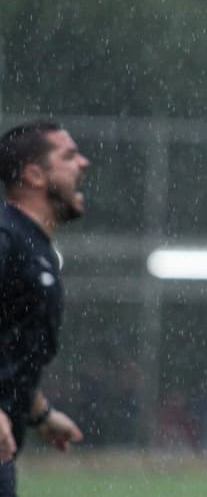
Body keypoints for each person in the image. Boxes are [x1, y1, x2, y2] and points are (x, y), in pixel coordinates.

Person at [0, 121, 89, 496]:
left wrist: (38, 413)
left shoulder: (34, 246)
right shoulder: (6, 238)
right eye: (68, 155)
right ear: (34, 175)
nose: (83, 163)